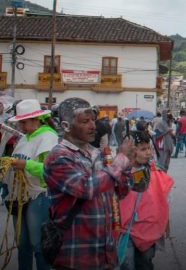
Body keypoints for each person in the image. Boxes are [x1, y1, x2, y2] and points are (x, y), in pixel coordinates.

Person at [44, 106, 135, 270]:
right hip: (76, 257)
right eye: (85, 121)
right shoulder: (59, 156)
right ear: (66, 126)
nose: (93, 126)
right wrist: (120, 161)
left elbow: (120, 192)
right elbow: (86, 188)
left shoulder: (97, 153)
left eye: (93, 120)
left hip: (105, 253)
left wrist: (128, 165)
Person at [3, 99, 59, 270]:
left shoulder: (48, 137)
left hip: (39, 196)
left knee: (38, 246)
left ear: (36, 120)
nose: (21, 125)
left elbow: (51, 171)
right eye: (20, 122)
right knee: (22, 245)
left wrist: (25, 165)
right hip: (20, 196)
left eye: (23, 122)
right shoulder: (25, 138)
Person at [118, 130, 173, 270]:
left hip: (149, 229)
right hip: (126, 230)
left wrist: (166, 223)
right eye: (143, 149)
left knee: (145, 264)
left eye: (149, 148)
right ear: (130, 150)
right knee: (127, 265)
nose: (148, 152)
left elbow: (163, 200)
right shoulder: (118, 172)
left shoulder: (155, 172)